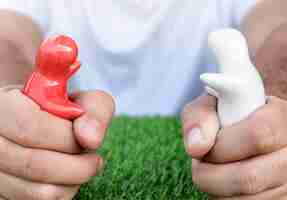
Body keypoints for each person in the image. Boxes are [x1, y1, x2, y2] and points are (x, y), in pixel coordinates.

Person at [0, 0, 286, 199]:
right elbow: (7, 39)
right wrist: (12, 102)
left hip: (209, 139)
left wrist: (273, 101)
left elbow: (279, 30)